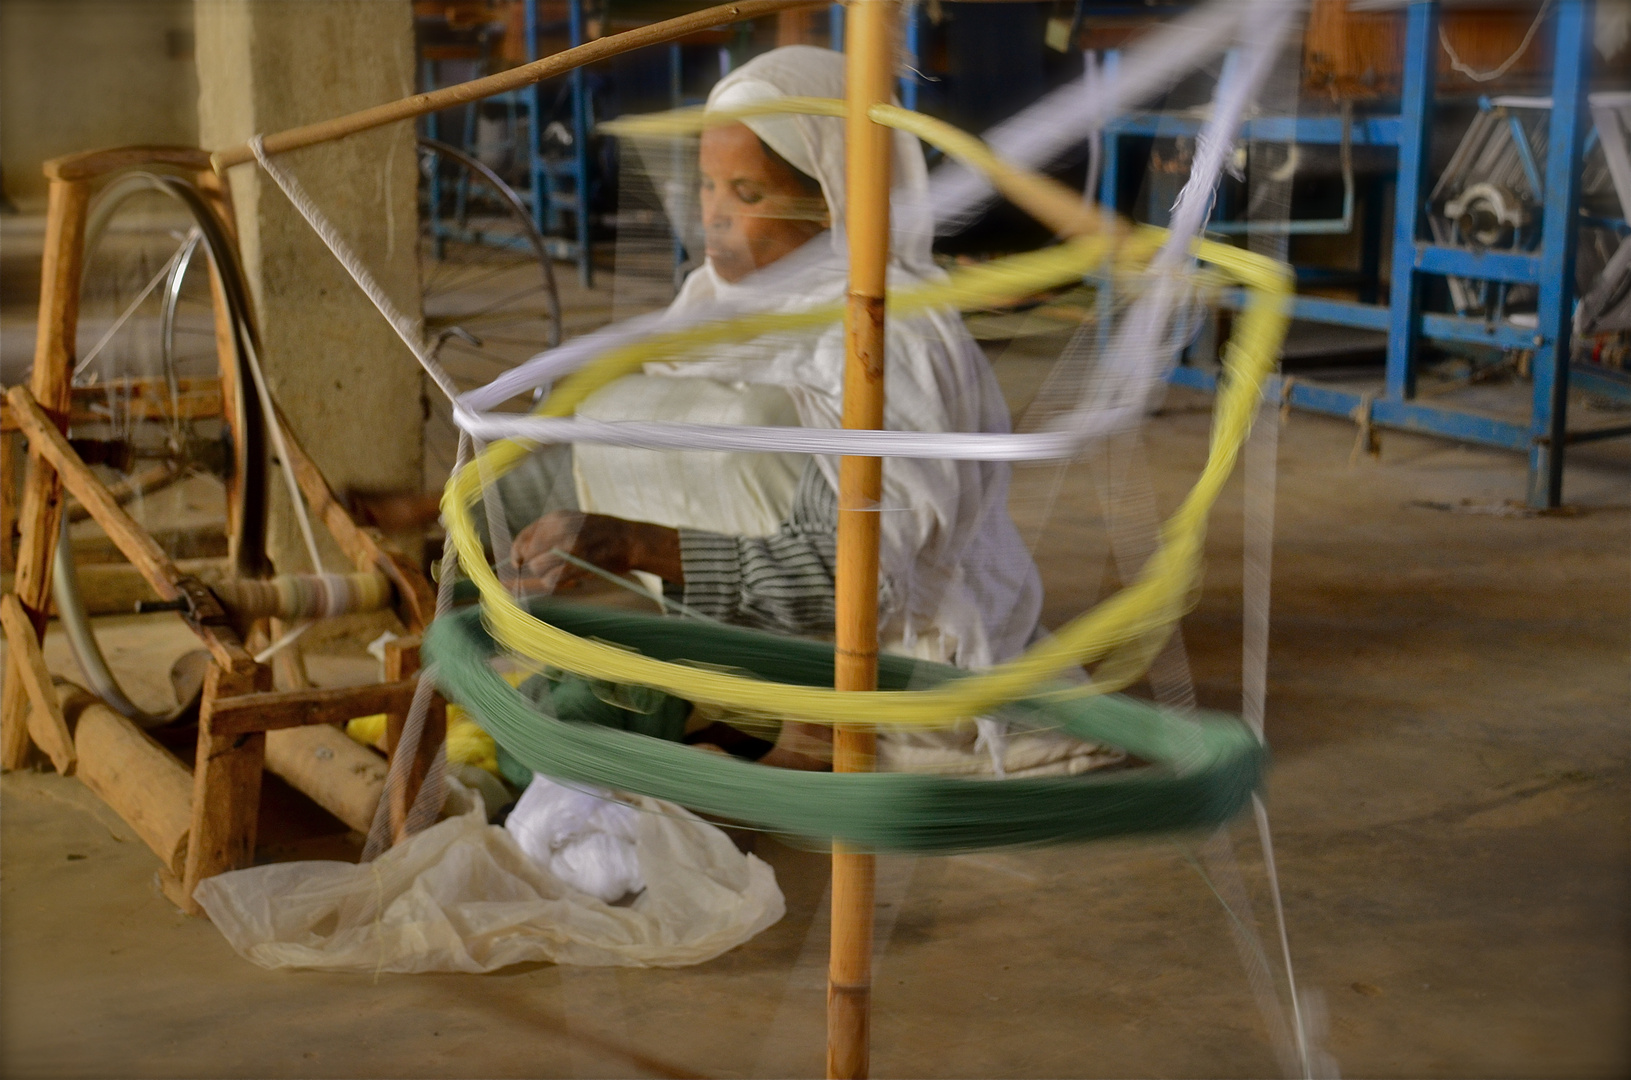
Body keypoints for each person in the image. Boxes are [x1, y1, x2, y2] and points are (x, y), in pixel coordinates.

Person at [504, 46, 1111, 777]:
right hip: (758, 625)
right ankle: (742, 708)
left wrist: (635, 545)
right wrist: (465, 517)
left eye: (746, 194)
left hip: (881, 652)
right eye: (705, 187)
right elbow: (605, 444)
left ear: (831, 201)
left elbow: (860, 577)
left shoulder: (888, 339)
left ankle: (793, 718)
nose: (714, 217)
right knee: (628, 404)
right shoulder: (709, 307)